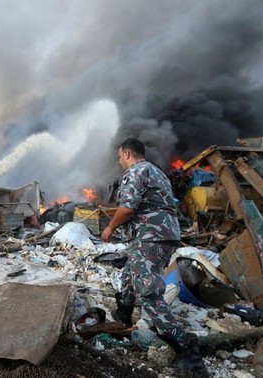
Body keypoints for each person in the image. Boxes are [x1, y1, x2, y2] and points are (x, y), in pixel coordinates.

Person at [102, 138, 209, 377]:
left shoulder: (135, 172)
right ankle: (123, 315)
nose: (119, 161)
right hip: (162, 234)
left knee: (148, 291)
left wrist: (110, 228)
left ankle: (187, 348)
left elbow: (127, 208)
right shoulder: (157, 172)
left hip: (150, 237)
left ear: (127, 154)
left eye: (120, 156)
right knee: (130, 273)